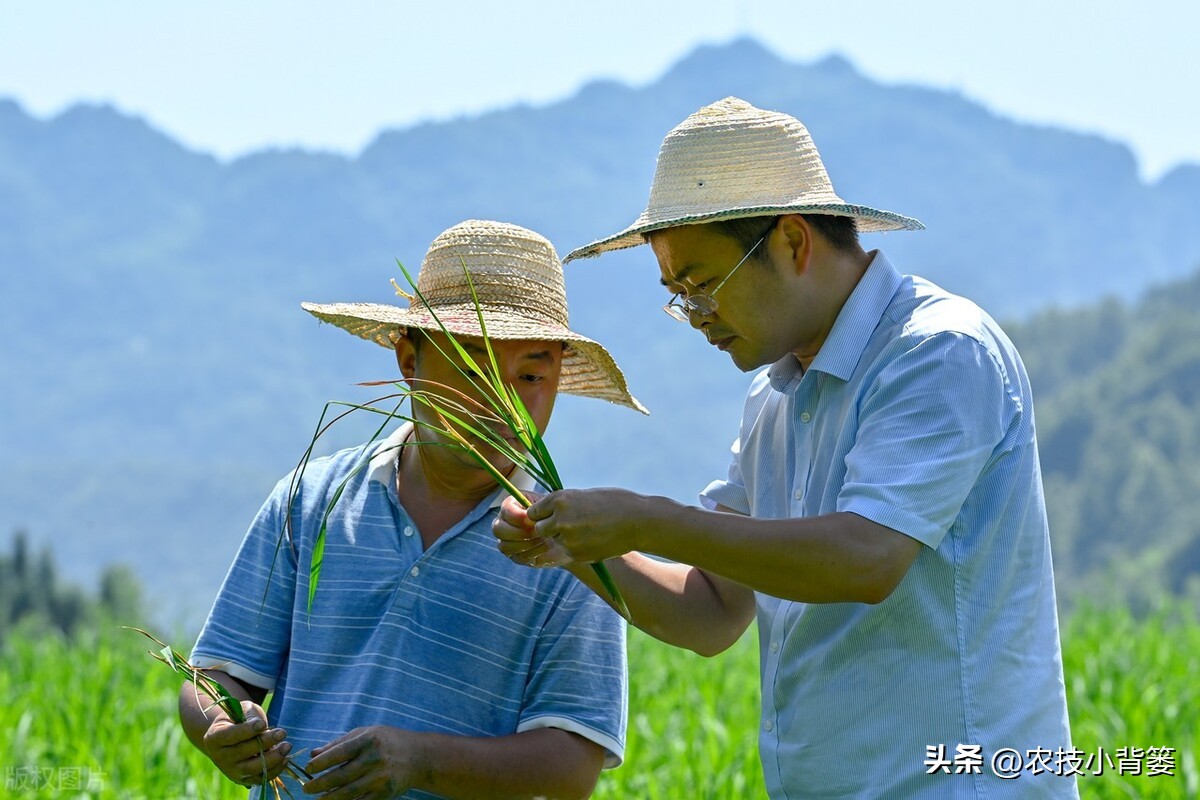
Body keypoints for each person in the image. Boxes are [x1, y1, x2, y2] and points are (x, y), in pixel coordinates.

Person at [495, 98, 1077, 798]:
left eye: (702, 284)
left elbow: (866, 558)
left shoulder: (937, 352)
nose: (694, 315)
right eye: (676, 293)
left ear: (793, 243)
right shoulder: (774, 399)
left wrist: (646, 518)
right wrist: (580, 546)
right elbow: (711, 612)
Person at [182, 220, 646, 799]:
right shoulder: (314, 499)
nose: (501, 401)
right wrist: (221, 724)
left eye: (530, 374)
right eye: (473, 369)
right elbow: (218, 673)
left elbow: (570, 762)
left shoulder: (571, 547)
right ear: (410, 360)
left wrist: (418, 762)